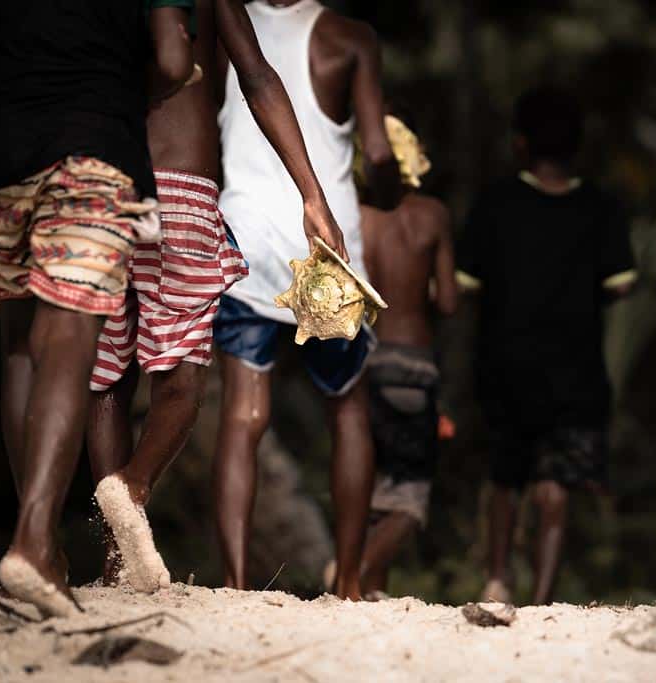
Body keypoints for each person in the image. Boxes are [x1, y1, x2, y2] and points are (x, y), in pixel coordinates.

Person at [83, 0, 349, 594]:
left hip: (102, 182)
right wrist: (312, 195)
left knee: (110, 376)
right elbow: (255, 74)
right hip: (167, 184)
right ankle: (130, 498)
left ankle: (118, 532)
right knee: (172, 374)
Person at [0, 1, 198, 616]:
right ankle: (34, 541)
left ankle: (42, 547)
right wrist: (116, 85)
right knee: (71, 322)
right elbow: (172, 56)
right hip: (91, 143)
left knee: (18, 344)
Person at [212, 0, 399, 600]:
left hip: (246, 231)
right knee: (347, 411)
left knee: (242, 414)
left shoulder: (223, 26)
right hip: (326, 242)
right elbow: (376, 154)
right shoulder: (350, 37)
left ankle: (235, 581)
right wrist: (392, 187)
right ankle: (346, 582)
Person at [458, 87, 636, 605]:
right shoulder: (601, 208)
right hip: (576, 369)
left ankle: (496, 578)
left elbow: (464, 283)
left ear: (520, 144)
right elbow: (623, 283)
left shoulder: (496, 203)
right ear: (578, 145)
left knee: (506, 475)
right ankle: (541, 595)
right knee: (556, 482)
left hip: (506, 363)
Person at [353, 115, 457, 597]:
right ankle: (357, 571)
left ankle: (369, 583)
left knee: (370, 479)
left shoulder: (358, 217)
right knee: (410, 490)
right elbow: (450, 301)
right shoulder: (433, 215)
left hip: (366, 359)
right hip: (414, 361)